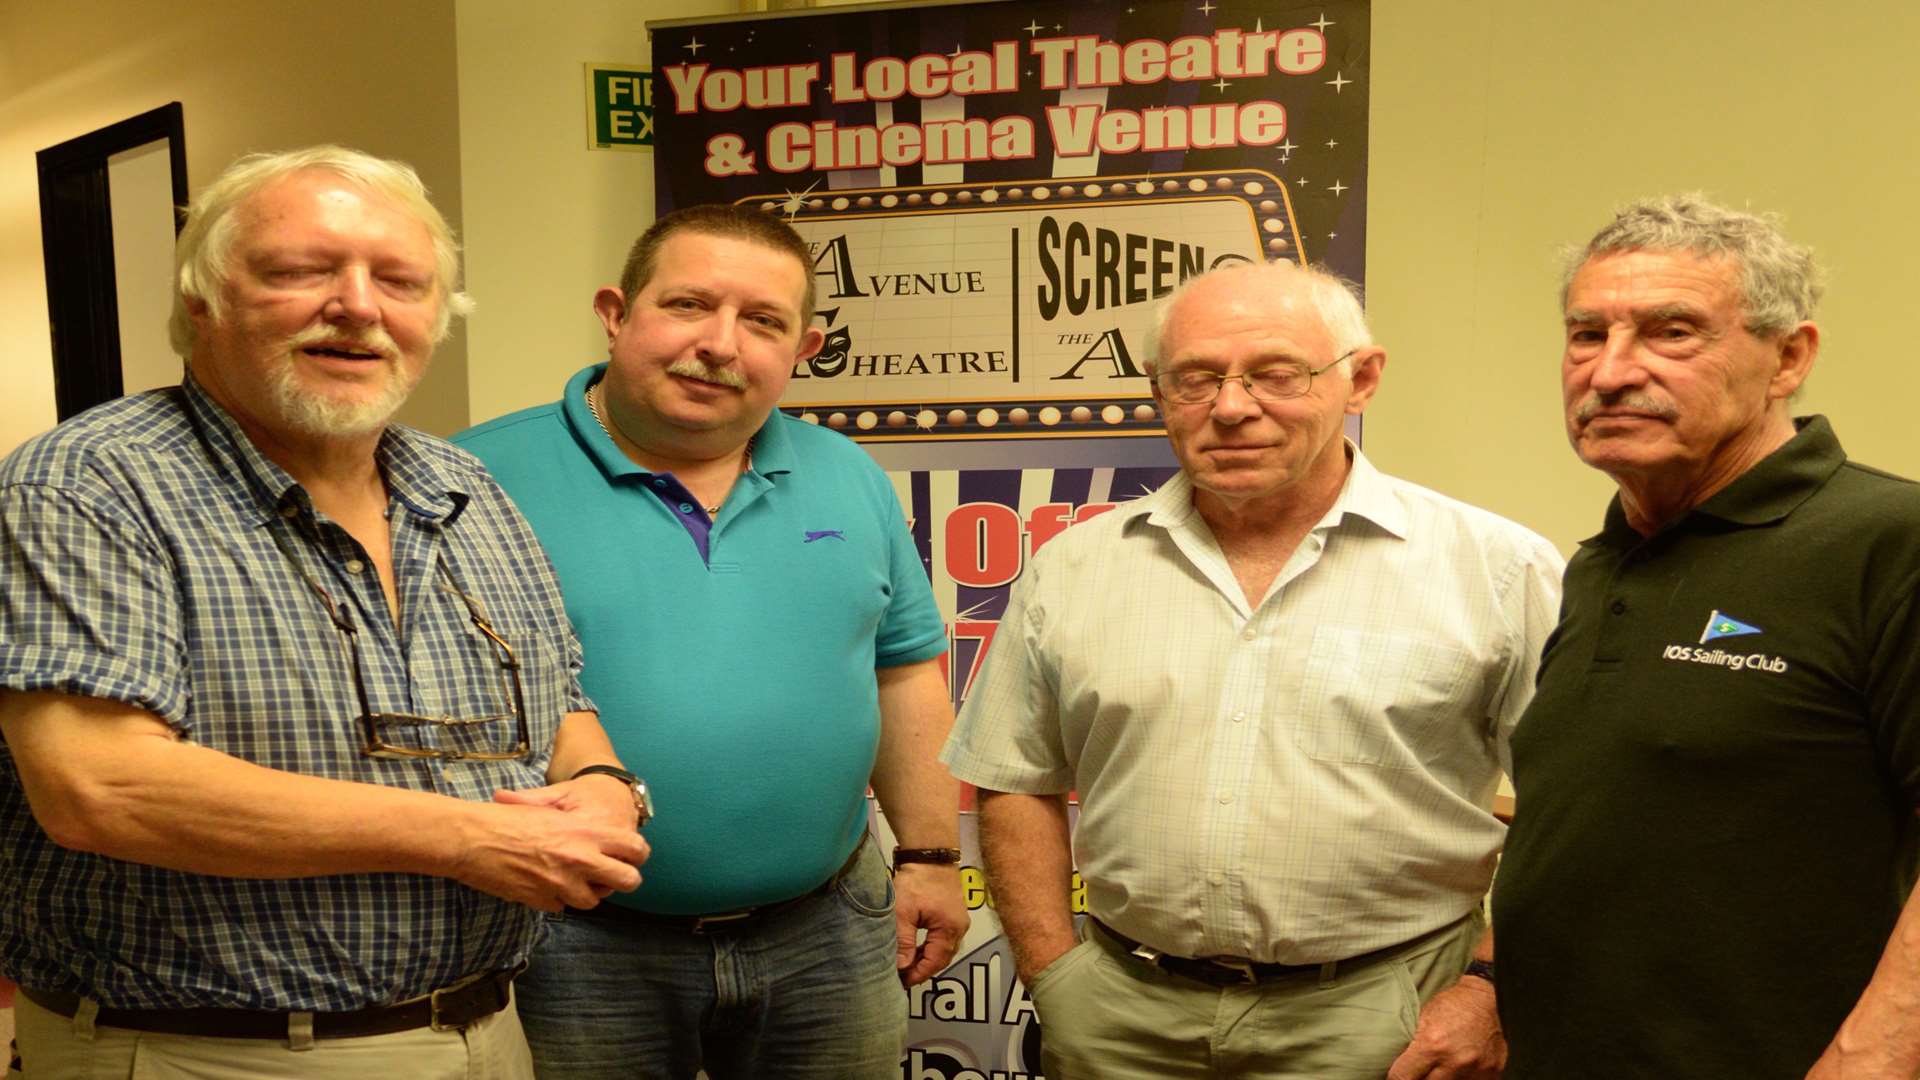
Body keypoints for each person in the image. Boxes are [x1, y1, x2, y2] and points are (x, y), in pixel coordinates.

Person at [0, 146, 651, 1080]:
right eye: (301, 271)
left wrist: (600, 782)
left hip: (486, 1034)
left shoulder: (463, 486)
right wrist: (472, 839)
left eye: (400, 281)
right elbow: (100, 787)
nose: (357, 306)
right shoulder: (87, 486)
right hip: (211, 1053)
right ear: (201, 302)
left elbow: (555, 700)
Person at [941, 259, 1563, 1080]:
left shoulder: (1499, 570)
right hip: (1122, 1018)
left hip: (1389, 1020)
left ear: (1362, 379)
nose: (1232, 408)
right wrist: (1057, 973)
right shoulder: (1075, 570)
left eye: (1277, 373)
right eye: (1195, 379)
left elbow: (1575, 811)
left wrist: (1488, 986)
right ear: (1159, 392)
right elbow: (1014, 777)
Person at [453, 203, 967, 1079]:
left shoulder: (846, 474)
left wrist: (929, 855)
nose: (722, 344)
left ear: (801, 351)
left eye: (762, 321)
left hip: (828, 934)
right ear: (617, 314)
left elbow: (903, 666)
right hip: (575, 942)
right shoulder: (473, 480)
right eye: (689, 305)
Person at [1493, 195, 1920, 1078]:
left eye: (1670, 332)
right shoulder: (1602, 561)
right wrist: (1484, 983)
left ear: (1788, 358)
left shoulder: (1891, 542)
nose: (1609, 373)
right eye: (1586, 335)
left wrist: (1875, 1057)